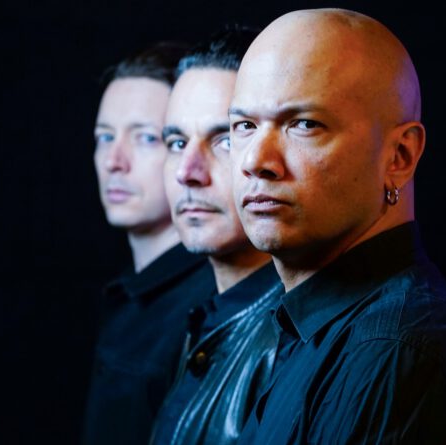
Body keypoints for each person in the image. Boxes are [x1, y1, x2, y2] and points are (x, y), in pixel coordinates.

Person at [229, 9, 446, 444]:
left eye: (304, 124)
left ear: (399, 157)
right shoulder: (310, 327)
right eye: (245, 126)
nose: (255, 161)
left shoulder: (396, 351)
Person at [149, 27, 281, 445]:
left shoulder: (297, 339)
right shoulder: (199, 317)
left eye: (224, 139)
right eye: (176, 142)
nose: (187, 172)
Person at [83, 42, 216, 445]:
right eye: (105, 137)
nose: (114, 161)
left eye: (144, 138)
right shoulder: (131, 296)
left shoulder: (208, 307)